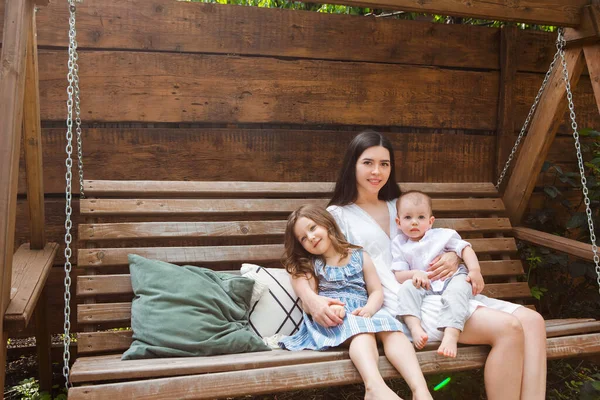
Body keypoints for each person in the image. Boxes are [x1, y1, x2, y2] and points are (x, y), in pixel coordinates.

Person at [291, 130, 547, 400]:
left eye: (384, 164)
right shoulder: (338, 216)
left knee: (533, 321)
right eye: (368, 162)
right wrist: (312, 300)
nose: (376, 171)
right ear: (352, 165)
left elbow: (434, 240)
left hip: (442, 288)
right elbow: (299, 263)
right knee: (509, 329)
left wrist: (455, 257)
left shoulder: (399, 205)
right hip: (405, 303)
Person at [279, 204, 432, 400]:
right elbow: (311, 301)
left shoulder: (359, 255)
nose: (310, 237)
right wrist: (332, 308)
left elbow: (376, 290)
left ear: (327, 224)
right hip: (335, 318)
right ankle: (374, 386)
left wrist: (369, 308)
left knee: (392, 328)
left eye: (312, 228)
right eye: (303, 238)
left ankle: (420, 390)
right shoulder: (310, 265)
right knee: (363, 332)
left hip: (363, 311)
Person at [391, 190, 485, 358]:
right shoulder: (399, 244)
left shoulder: (441, 235)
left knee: (457, 293)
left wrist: (474, 270)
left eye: (420, 217)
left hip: (452, 278)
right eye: (407, 218)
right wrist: (416, 273)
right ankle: (415, 327)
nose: (414, 222)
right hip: (425, 284)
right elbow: (399, 274)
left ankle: (451, 335)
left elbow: (465, 249)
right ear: (398, 222)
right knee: (406, 288)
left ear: (430, 221)